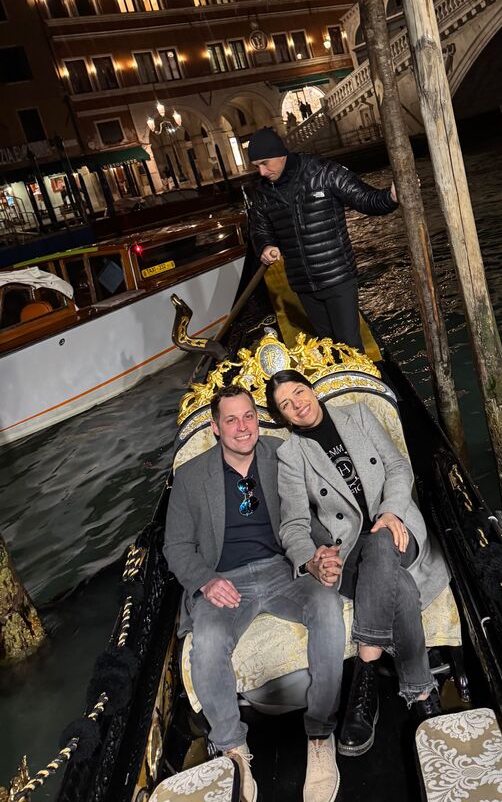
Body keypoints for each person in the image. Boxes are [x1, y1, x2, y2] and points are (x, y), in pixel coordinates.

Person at [164, 385, 346, 802]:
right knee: (206, 643)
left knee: (327, 606)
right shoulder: (191, 477)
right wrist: (207, 580)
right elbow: (175, 547)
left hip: (284, 569)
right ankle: (234, 750)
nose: (242, 427)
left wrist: (321, 553)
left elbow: (313, 512)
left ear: (257, 419)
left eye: (248, 416)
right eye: (231, 419)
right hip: (224, 580)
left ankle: (320, 736)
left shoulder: (282, 453)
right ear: (215, 428)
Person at [265, 370, 450, 758]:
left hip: (398, 528)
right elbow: (294, 524)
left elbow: (399, 469)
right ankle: (419, 689)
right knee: (393, 577)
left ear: (311, 390)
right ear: (284, 418)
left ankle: (364, 679)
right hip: (349, 552)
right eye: (286, 404)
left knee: (383, 543)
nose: (298, 403)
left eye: (300, 391)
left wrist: (391, 512)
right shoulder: (291, 455)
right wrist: (309, 561)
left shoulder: (360, 415)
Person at [247, 128, 398, 350]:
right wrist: (266, 245)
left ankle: (361, 383)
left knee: (350, 346)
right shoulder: (262, 194)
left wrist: (392, 197)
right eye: (257, 166)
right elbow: (260, 229)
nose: (261, 172)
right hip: (303, 284)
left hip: (337, 276)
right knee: (328, 346)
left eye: (265, 163)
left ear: (281, 155)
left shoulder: (323, 171)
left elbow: (365, 199)